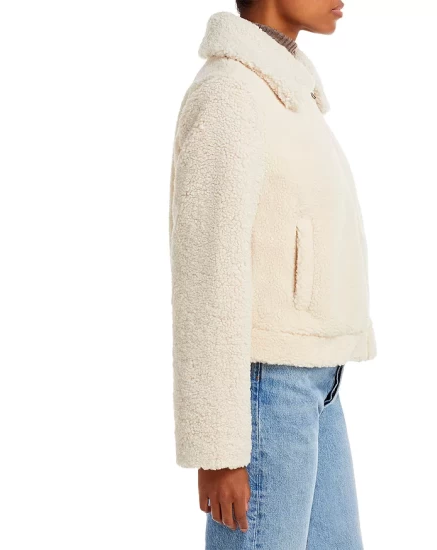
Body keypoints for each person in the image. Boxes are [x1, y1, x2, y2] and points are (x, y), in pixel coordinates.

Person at [169, 1, 376, 548]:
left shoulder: (289, 95)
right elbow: (207, 274)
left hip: (318, 383)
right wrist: (219, 449)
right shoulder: (230, 93)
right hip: (265, 390)